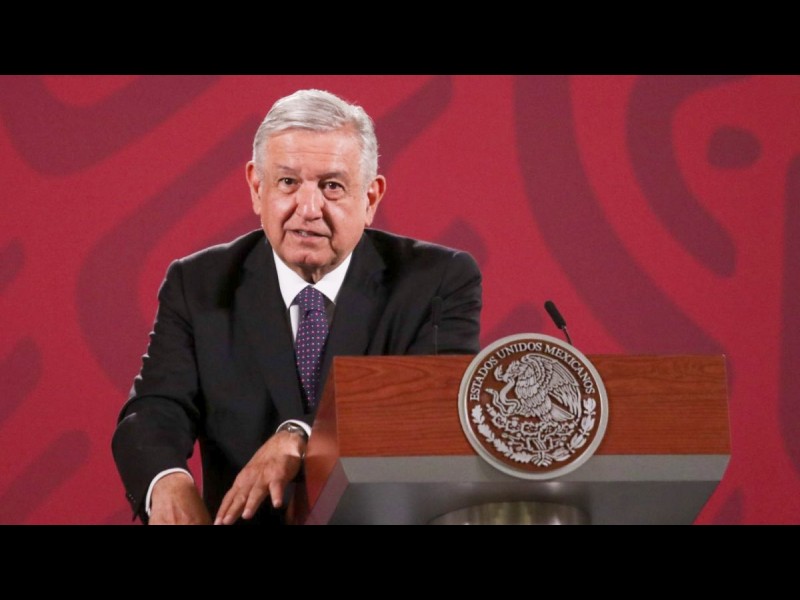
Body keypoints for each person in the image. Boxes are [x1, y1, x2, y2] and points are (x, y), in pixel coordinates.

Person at [111, 89, 482, 525]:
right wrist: (166, 481)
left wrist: (302, 436)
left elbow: (431, 411)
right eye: (288, 182)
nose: (308, 209)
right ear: (257, 187)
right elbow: (154, 409)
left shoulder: (436, 281)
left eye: (332, 186)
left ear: (370, 198)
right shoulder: (198, 285)